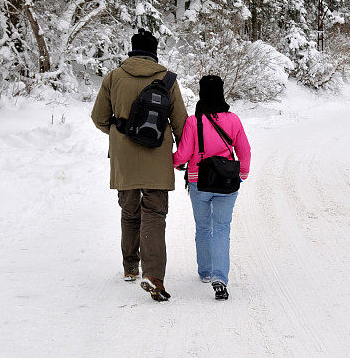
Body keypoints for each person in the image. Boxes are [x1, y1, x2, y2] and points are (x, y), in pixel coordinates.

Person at [91, 29, 187, 302]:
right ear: (154, 52)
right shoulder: (167, 80)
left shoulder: (114, 77)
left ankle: (130, 266)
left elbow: (98, 117)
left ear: (132, 50)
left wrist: (120, 133)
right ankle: (154, 275)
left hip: (124, 158)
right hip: (157, 156)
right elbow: (180, 122)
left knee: (130, 210)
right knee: (154, 215)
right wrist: (183, 153)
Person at [173, 75, 251, 300]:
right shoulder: (233, 120)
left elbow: (184, 155)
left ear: (201, 93)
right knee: (222, 228)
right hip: (227, 182)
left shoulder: (193, 121)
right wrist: (242, 174)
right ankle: (220, 276)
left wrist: (171, 162)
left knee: (203, 227)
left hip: (199, 181)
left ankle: (205, 271)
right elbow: (244, 150)